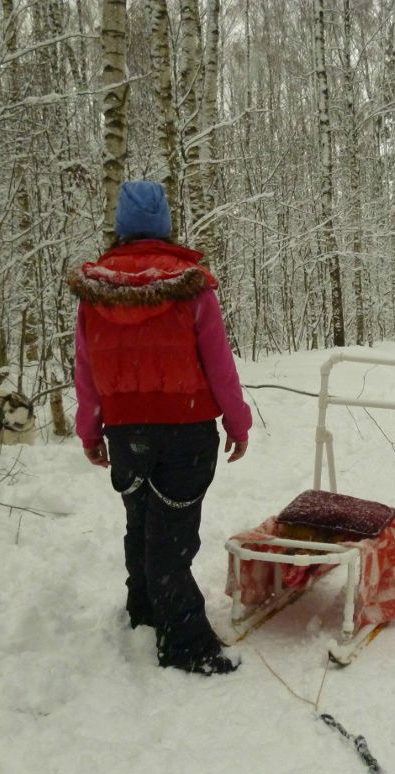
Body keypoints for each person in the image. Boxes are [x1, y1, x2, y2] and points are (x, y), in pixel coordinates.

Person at [70, 180, 252, 675]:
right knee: (172, 533)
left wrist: (90, 430)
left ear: (123, 229)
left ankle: (145, 609)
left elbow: (84, 369)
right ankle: (184, 643)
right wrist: (238, 422)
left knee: (141, 522)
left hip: (126, 430)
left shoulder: (96, 291)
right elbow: (219, 364)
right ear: (165, 226)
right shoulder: (191, 285)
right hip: (187, 428)